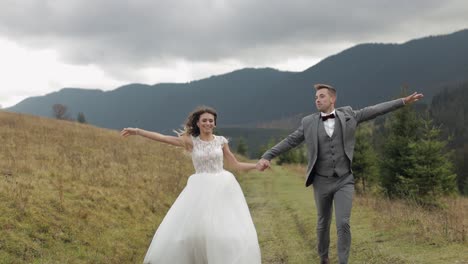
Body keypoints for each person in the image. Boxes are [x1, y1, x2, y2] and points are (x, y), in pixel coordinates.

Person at [257, 84, 423, 264]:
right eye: (316, 98)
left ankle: (343, 261)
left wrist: (402, 101)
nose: (317, 100)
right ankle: (324, 257)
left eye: (321, 96)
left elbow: (376, 110)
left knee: (343, 223)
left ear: (332, 99)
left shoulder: (349, 115)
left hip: (344, 180)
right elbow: (290, 141)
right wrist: (268, 155)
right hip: (321, 182)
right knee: (322, 224)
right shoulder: (308, 122)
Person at [121, 106, 261, 264]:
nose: (208, 123)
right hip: (199, 189)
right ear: (198, 123)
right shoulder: (190, 141)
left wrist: (256, 166)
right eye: (204, 120)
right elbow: (162, 137)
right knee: (196, 230)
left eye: (211, 121)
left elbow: (235, 165)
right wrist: (138, 131)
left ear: (214, 124)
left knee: (223, 228)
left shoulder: (221, 141)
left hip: (223, 187)